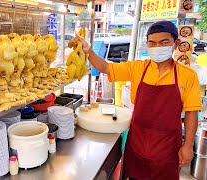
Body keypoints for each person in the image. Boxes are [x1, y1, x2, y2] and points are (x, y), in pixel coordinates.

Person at [76, 20, 203, 179]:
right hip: (138, 142)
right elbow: (105, 67)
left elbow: (192, 112)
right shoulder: (138, 68)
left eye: (163, 42)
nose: (157, 47)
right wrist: (88, 51)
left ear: (175, 43)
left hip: (167, 147)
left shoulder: (187, 75)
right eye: (152, 43)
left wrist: (188, 146)